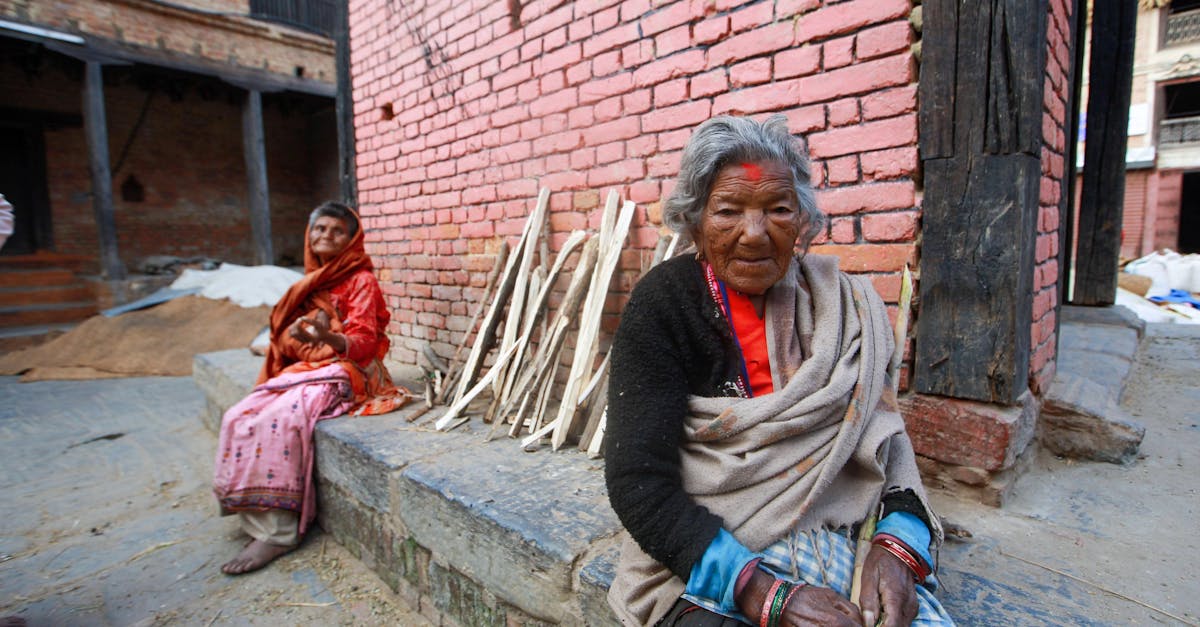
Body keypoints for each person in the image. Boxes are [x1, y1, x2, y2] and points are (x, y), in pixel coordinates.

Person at [604, 115, 953, 626]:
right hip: (704, 553)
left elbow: (885, 441)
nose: (754, 233)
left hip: (836, 534)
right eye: (728, 210)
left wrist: (898, 545)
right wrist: (763, 594)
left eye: (778, 209)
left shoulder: (843, 307)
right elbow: (638, 480)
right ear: (696, 222)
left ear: (803, 222)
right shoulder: (663, 305)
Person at [213, 201, 410, 575]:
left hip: (352, 370)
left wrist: (328, 338)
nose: (326, 236)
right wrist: (306, 342)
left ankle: (276, 533)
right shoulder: (307, 283)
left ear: (352, 241)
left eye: (337, 231)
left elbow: (365, 345)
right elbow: (285, 342)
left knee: (282, 420)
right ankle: (251, 510)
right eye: (319, 228)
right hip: (312, 366)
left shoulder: (361, 280)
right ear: (309, 235)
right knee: (241, 414)